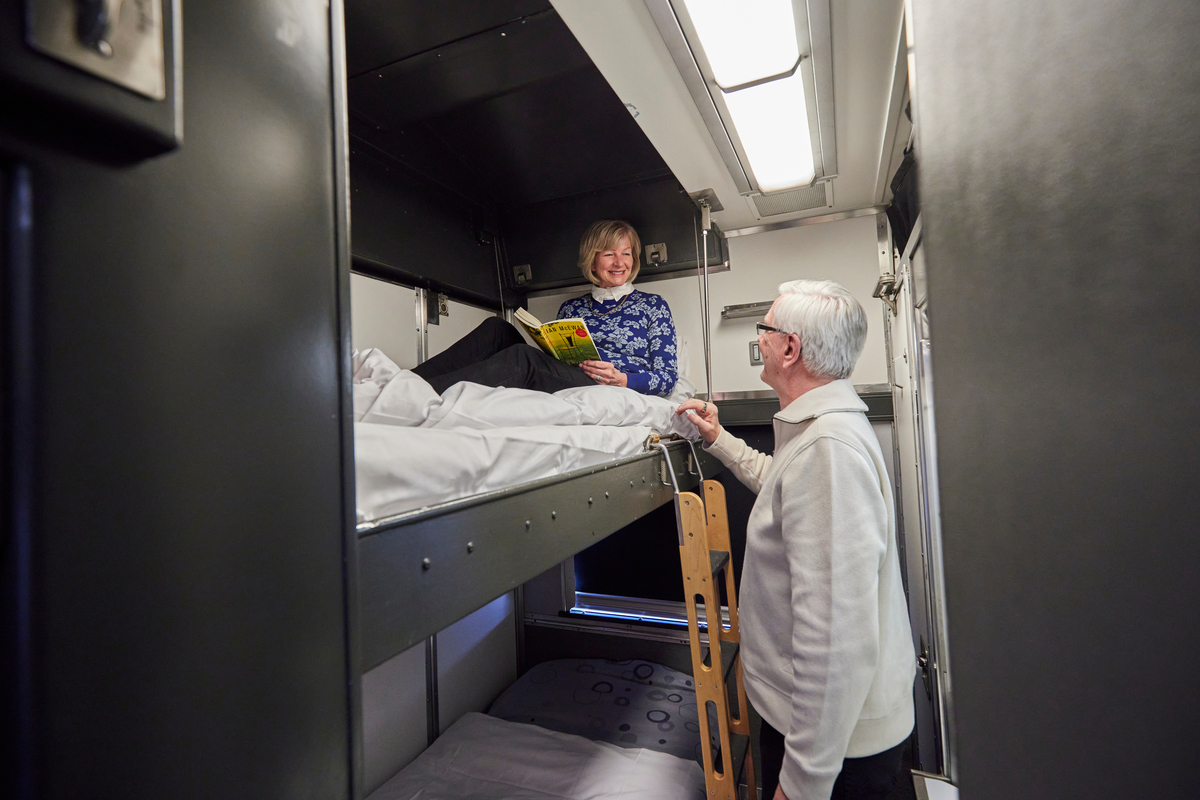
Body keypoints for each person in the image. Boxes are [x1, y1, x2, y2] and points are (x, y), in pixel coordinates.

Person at [676, 280, 915, 800]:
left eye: (765, 329)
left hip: (836, 751)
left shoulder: (828, 449)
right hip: (829, 733)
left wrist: (803, 783)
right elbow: (780, 486)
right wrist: (719, 439)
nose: (758, 340)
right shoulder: (819, 429)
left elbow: (835, 638)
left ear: (790, 348)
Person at [411, 220, 678, 396]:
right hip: (570, 374)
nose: (620, 262)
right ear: (592, 261)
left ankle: (420, 395)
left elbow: (667, 376)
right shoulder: (572, 308)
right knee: (497, 328)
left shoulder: (652, 306)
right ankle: (406, 382)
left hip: (607, 386)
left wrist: (623, 380)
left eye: (627, 253)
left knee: (523, 357)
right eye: (609, 254)